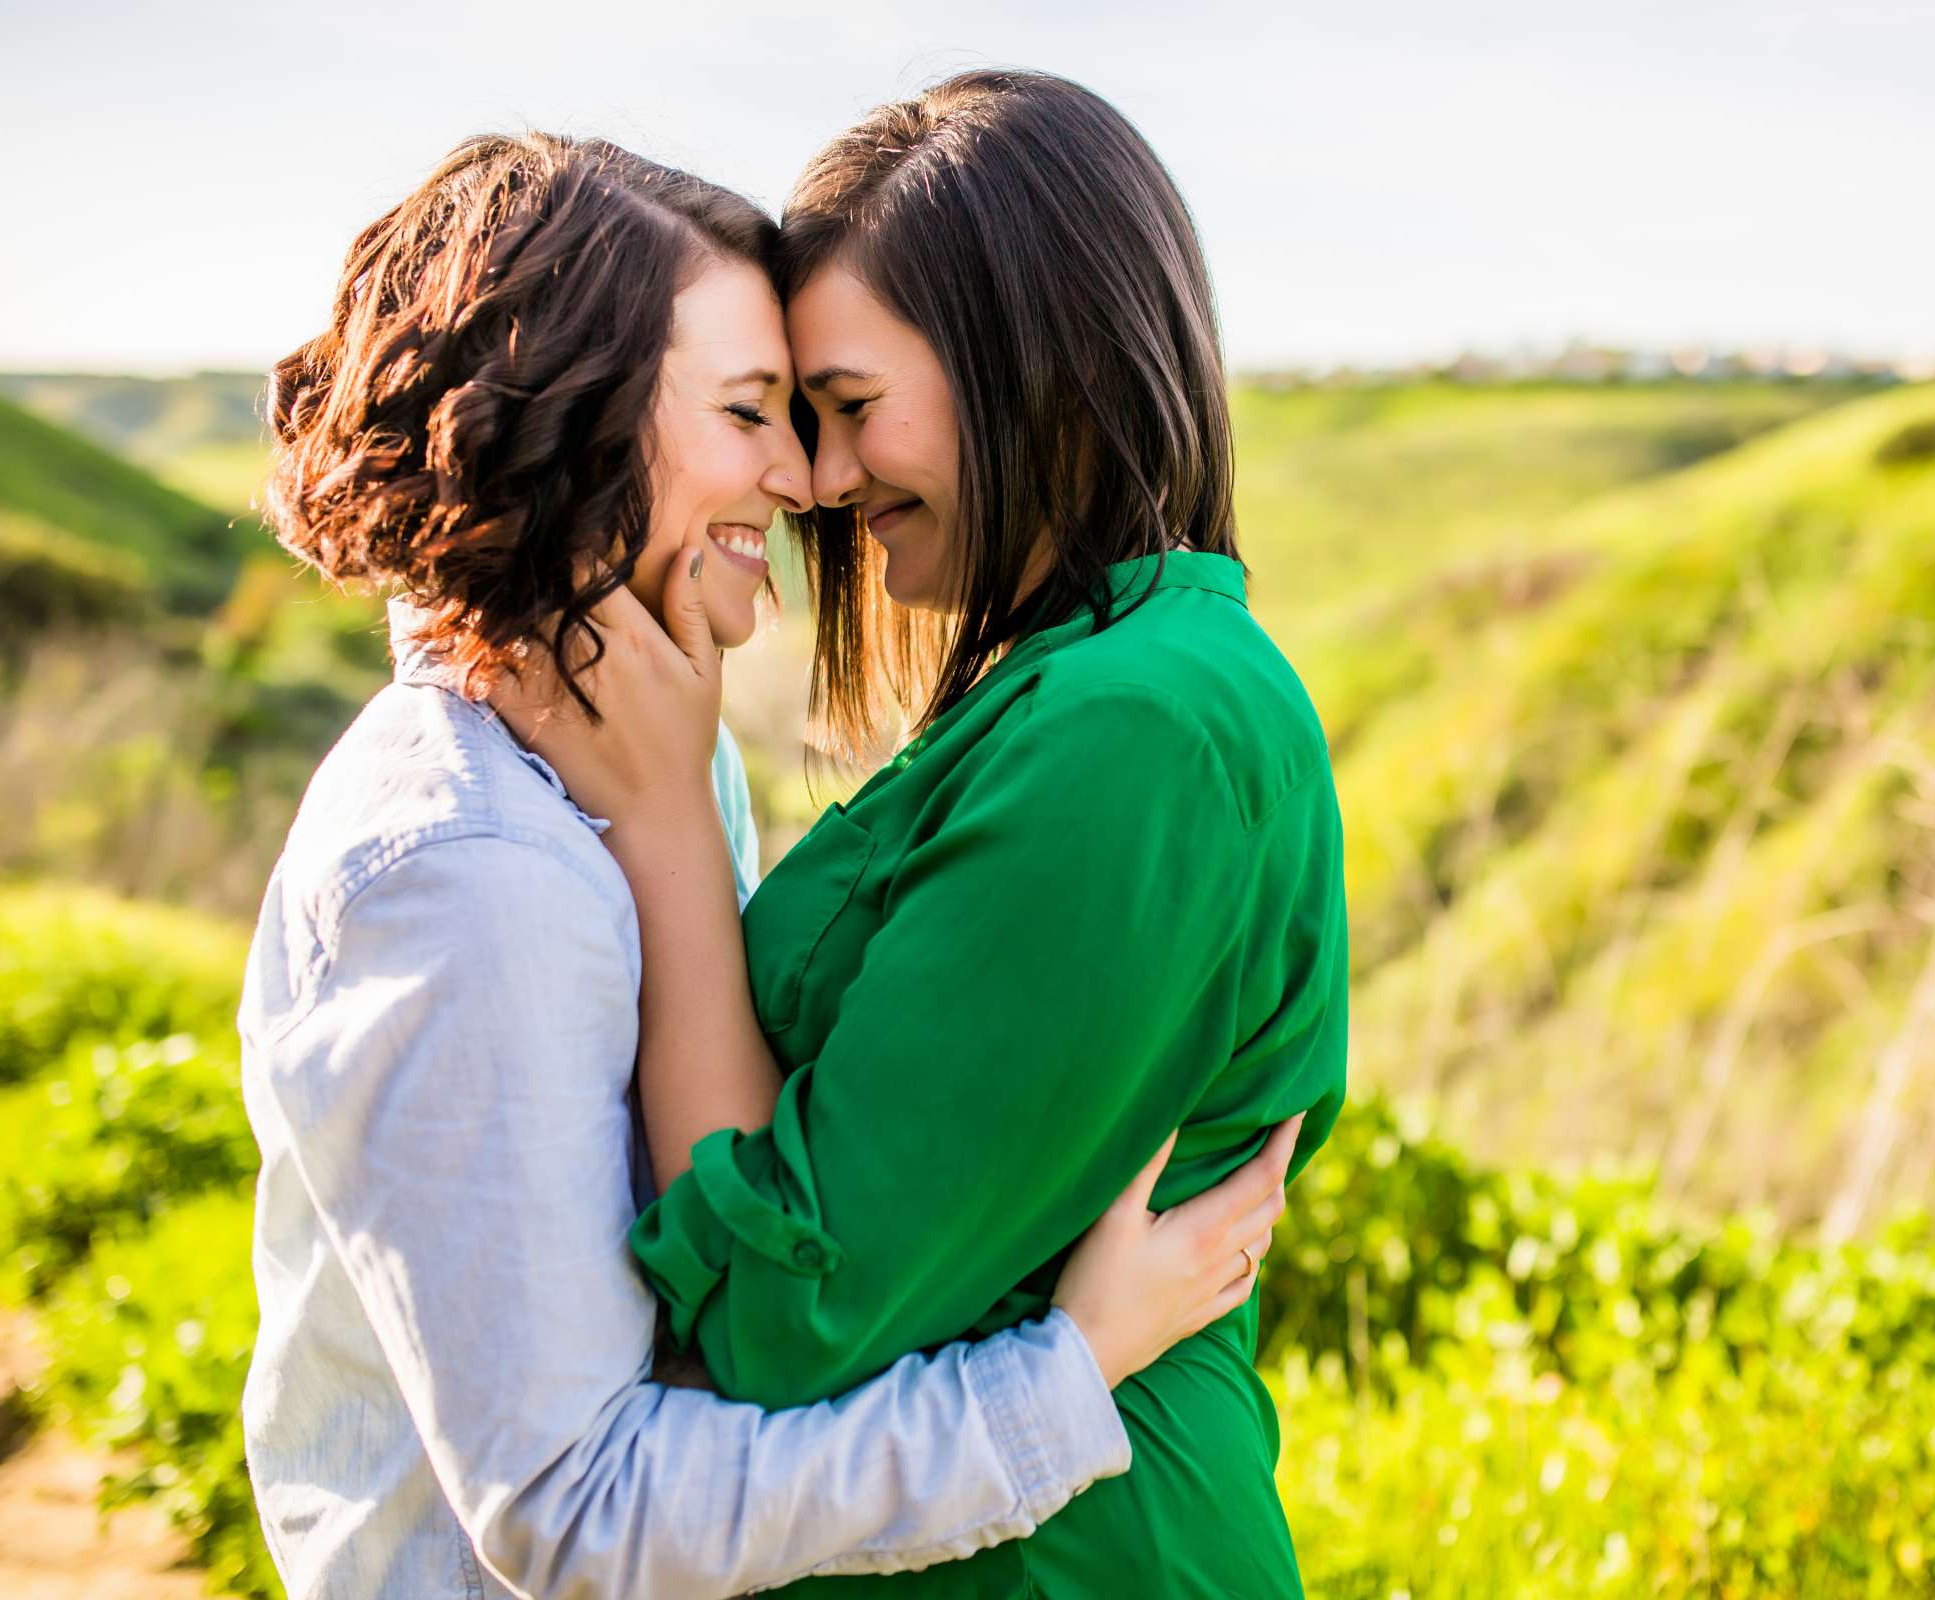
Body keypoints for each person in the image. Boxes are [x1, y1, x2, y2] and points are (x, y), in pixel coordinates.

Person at [241, 130, 1291, 1600]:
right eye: (758, 411)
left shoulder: (662, 764)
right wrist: (1072, 1372)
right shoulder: (466, 865)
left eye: (818, 409)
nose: (802, 478)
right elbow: (579, 1504)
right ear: (584, 416)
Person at [505, 71, 1349, 1598]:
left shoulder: (1131, 731)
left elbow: (784, 1317)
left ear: (1035, 360)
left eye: (846, 410)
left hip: (1070, 1558)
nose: (821, 483)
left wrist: (668, 826)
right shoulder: (1089, 686)